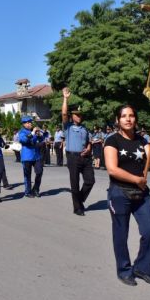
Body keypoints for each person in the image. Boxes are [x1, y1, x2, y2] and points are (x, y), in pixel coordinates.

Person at [103, 104, 150, 286]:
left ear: (135, 119)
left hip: (141, 194)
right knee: (121, 234)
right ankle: (124, 270)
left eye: (131, 116)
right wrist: (136, 179)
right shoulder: (112, 141)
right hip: (119, 192)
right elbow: (112, 170)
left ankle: (142, 268)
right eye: (124, 116)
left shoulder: (142, 140)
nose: (128, 119)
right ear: (117, 120)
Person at [61, 87, 95, 216]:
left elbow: (89, 142)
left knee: (90, 181)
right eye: (77, 114)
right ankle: (77, 208)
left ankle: (79, 200)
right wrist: (65, 98)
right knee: (74, 184)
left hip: (85, 157)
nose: (79, 116)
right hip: (73, 158)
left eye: (80, 114)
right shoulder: (67, 127)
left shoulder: (85, 129)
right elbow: (64, 114)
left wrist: (89, 148)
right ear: (72, 116)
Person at [19, 116, 44, 198]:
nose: (30, 124)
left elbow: (41, 140)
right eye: (27, 123)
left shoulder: (34, 131)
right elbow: (24, 140)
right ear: (23, 124)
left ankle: (36, 189)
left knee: (39, 172)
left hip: (36, 156)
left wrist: (40, 135)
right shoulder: (22, 132)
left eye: (30, 122)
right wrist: (33, 133)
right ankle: (28, 191)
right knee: (27, 175)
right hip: (27, 156)